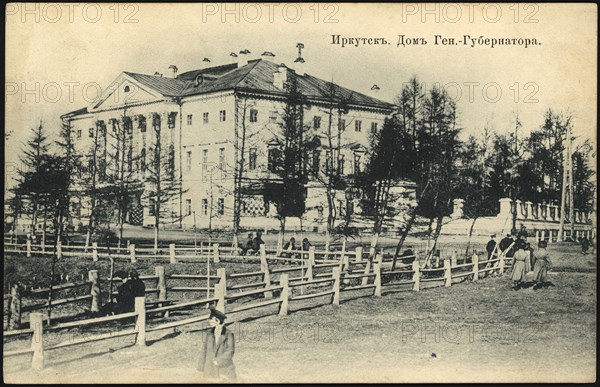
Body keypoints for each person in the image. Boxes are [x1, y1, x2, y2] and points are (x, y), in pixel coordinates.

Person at [197, 307, 236, 382]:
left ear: (217, 321)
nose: (209, 322)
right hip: (209, 369)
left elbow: (230, 351)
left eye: (211, 320)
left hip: (224, 370)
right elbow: (204, 350)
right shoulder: (209, 333)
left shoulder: (228, 334)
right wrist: (201, 367)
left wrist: (218, 361)